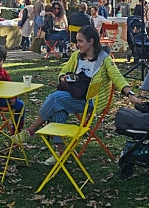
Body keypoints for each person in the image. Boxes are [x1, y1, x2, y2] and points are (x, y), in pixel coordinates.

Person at [12, 25, 142, 165]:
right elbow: (64, 70)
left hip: (91, 102)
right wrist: (64, 77)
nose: (77, 44)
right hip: (74, 94)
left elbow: (117, 78)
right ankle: (62, 152)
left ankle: (32, 130)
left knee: (56, 98)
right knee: (59, 107)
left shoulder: (104, 60)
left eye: (80, 41)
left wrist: (130, 94)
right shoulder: (76, 56)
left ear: (91, 41)